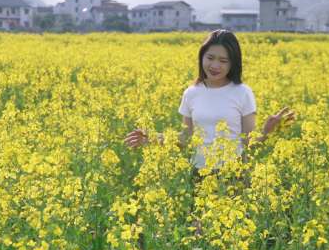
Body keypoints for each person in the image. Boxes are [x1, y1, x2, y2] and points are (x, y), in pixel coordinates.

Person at [124, 29, 294, 172]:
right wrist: (151, 138)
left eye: (223, 61)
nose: (215, 66)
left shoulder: (243, 93)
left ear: (233, 64)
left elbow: (248, 141)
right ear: (202, 57)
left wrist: (267, 131)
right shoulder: (191, 93)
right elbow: (186, 138)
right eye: (210, 58)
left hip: (234, 174)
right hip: (200, 173)